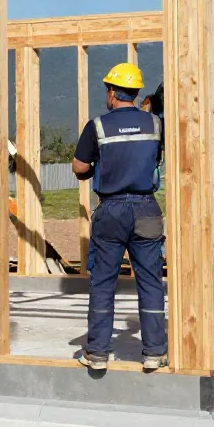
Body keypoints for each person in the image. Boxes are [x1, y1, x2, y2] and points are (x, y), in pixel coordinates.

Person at [71, 62, 168, 372]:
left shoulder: (97, 126)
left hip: (111, 209)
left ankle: (98, 352)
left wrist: (101, 163)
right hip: (145, 208)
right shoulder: (155, 125)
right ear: (136, 93)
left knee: (102, 281)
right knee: (151, 280)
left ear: (112, 92)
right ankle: (154, 351)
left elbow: (78, 167)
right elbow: (158, 156)